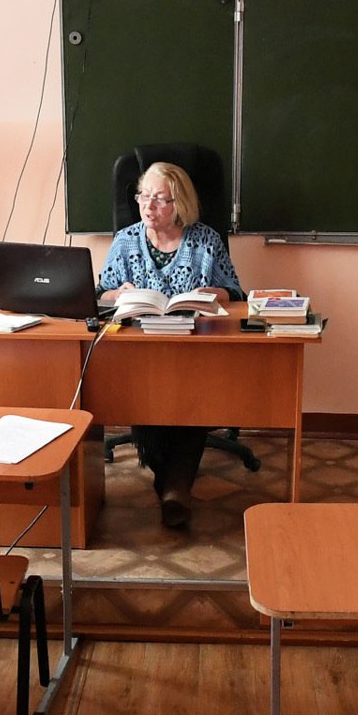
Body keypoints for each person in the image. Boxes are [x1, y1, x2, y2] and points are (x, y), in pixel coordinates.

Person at [98, 161, 243, 529]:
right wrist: (118, 294)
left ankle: (172, 487)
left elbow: (236, 293)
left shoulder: (206, 241)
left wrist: (215, 292)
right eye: (143, 196)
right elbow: (101, 293)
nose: (148, 206)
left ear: (180, 204)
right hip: (139, 352)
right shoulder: (125, 241)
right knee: (144, 395)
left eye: (160, 199)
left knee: (193, 401)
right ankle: (174, 489)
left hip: (195, 350)